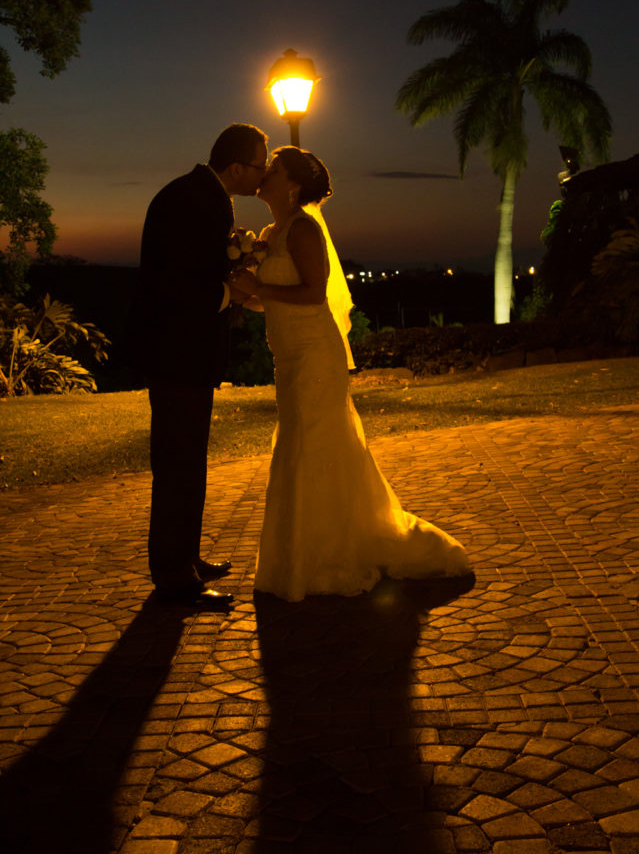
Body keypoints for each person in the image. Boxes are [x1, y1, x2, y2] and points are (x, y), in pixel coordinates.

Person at [232, 146, 473, 602]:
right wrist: (247, 295)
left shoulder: (303, 229)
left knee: (313, 443)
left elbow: (312, 295)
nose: (265, 174)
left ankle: (324, 558)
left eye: (274, 169)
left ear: (294, 185)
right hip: (287, 354)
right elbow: (276, 297)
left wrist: (260, 286)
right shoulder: (270, 231)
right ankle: (304, 553)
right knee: (300, 442)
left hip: (315, 352)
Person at [128, 123, 268, 605]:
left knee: (189, 462)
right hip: (176, 354)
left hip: (187, 354)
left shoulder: (201, 194)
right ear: (235, 167)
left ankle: (185, 556)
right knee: (178, 464)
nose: (263, 173)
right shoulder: (193, 201)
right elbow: (174, 284)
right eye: (259, 164)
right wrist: (231, 292)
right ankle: (172, 576)